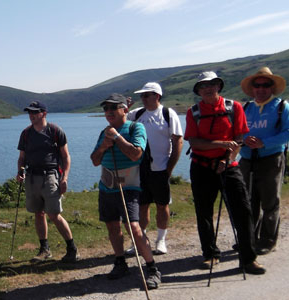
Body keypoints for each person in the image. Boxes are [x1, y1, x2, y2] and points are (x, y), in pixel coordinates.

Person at [184, 71, 265, 274]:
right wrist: (221, 144)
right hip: (201, 167)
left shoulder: (234, 107)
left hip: (229, 166)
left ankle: (248, 258)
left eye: (212, 84)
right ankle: (210, 254)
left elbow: (238, 139)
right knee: (204, 213)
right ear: (199, 91)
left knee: (243, 210)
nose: (208, 88)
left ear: (218, 86)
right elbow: (194, 142)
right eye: (203, 85)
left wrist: (226, 160)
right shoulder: (193, 111)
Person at [90, 93, 161, 289]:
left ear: (125, 110)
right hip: (107, 187)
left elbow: (136, 154)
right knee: (112, 227)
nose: (109, 112)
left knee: (134, 228)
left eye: (114, 107)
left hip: (128, 186)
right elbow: (95, 160)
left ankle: (152, 268)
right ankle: (120, 262)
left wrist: (117, 138)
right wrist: (104, 145)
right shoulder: (104, 132)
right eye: (106, 108)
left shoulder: (136, 128)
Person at [239, 67, 289, 255]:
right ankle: (249, 239)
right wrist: (244, 140)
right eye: (257, 85)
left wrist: (263, 143)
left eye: (266, 85)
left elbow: (288, 133)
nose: (261, 88)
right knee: (248, 202)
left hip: (271, 160)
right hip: (246, 160)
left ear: (272, 87)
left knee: (270, 202)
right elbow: (238, 131)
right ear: (252, 88)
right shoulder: (246, 108)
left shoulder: (282, 107)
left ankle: (268, 241)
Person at [123, 82, 183, 256]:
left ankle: (161, 240)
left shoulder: (167, 113)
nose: (143, 98)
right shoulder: (137, 114)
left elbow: (178, 140)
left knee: (162, 205)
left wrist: (169, 167)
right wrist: (125, 109)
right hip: (140, 169)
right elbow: (121, 124)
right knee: (141, 205)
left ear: (157, 96)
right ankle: (141, 242)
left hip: (160, 168)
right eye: (142, 95)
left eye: (146, 95)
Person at [16, 101, 79, 263]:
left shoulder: (55, 131)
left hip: (51, 176)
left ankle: (72, 249)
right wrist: (20, 171)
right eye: (29, 112)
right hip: (31, 177)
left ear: (43, 113)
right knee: (38, 213)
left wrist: (64, 178)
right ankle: (44, 249)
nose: (31, 115)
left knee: (54, 214)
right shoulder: (26, 134)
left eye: (34, 112)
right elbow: (22, 158)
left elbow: (66, 156)